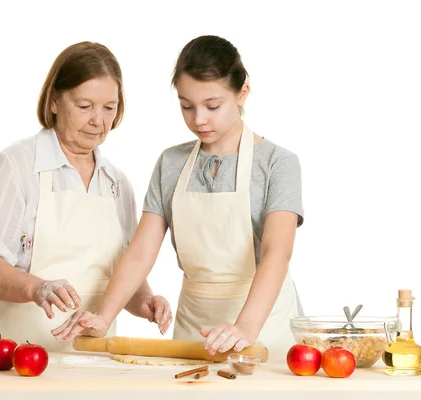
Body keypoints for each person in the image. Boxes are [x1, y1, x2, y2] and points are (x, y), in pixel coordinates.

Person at [51, 35, 305, 362]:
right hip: (193, 332)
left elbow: (276, 253)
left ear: (242, 93)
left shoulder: (278, 164)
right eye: (187, 105)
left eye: (212, 106)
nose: (198, 119)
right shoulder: (171, 163)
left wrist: (244, 329)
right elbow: (141, 251)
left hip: (263, 328)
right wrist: (103, 317)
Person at [0, 41, 172, 355]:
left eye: (109, 108)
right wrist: (36, 288)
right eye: (85, 106)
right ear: (55, 101)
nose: (98, 121)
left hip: (92, 359)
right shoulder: (17, 166)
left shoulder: (117, 184)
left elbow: (117, 271)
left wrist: (145, 302)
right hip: (12, 353)